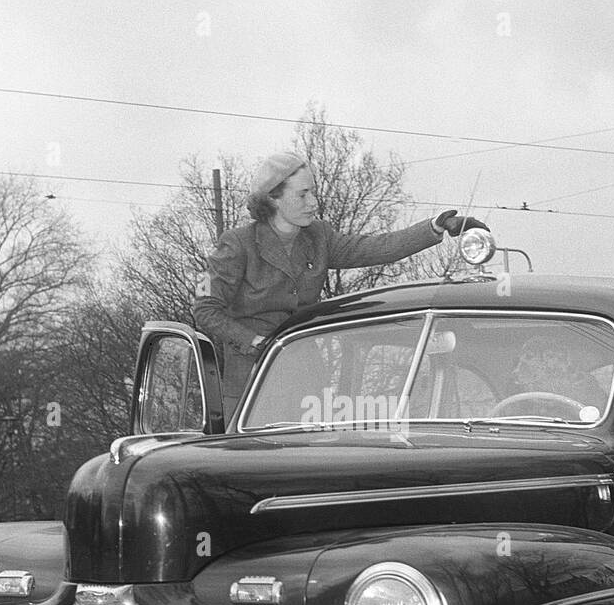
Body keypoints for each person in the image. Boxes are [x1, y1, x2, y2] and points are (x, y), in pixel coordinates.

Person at [193, 151, 484, 414]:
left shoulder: (319, 237)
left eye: (314, 193)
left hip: (309, 387)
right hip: (252, 388)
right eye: (303, 194)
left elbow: (378, 247)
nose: (313, 203)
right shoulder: (236, 245)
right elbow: (205, 310)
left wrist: (435, 227)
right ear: (273, 198)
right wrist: (256, 343)